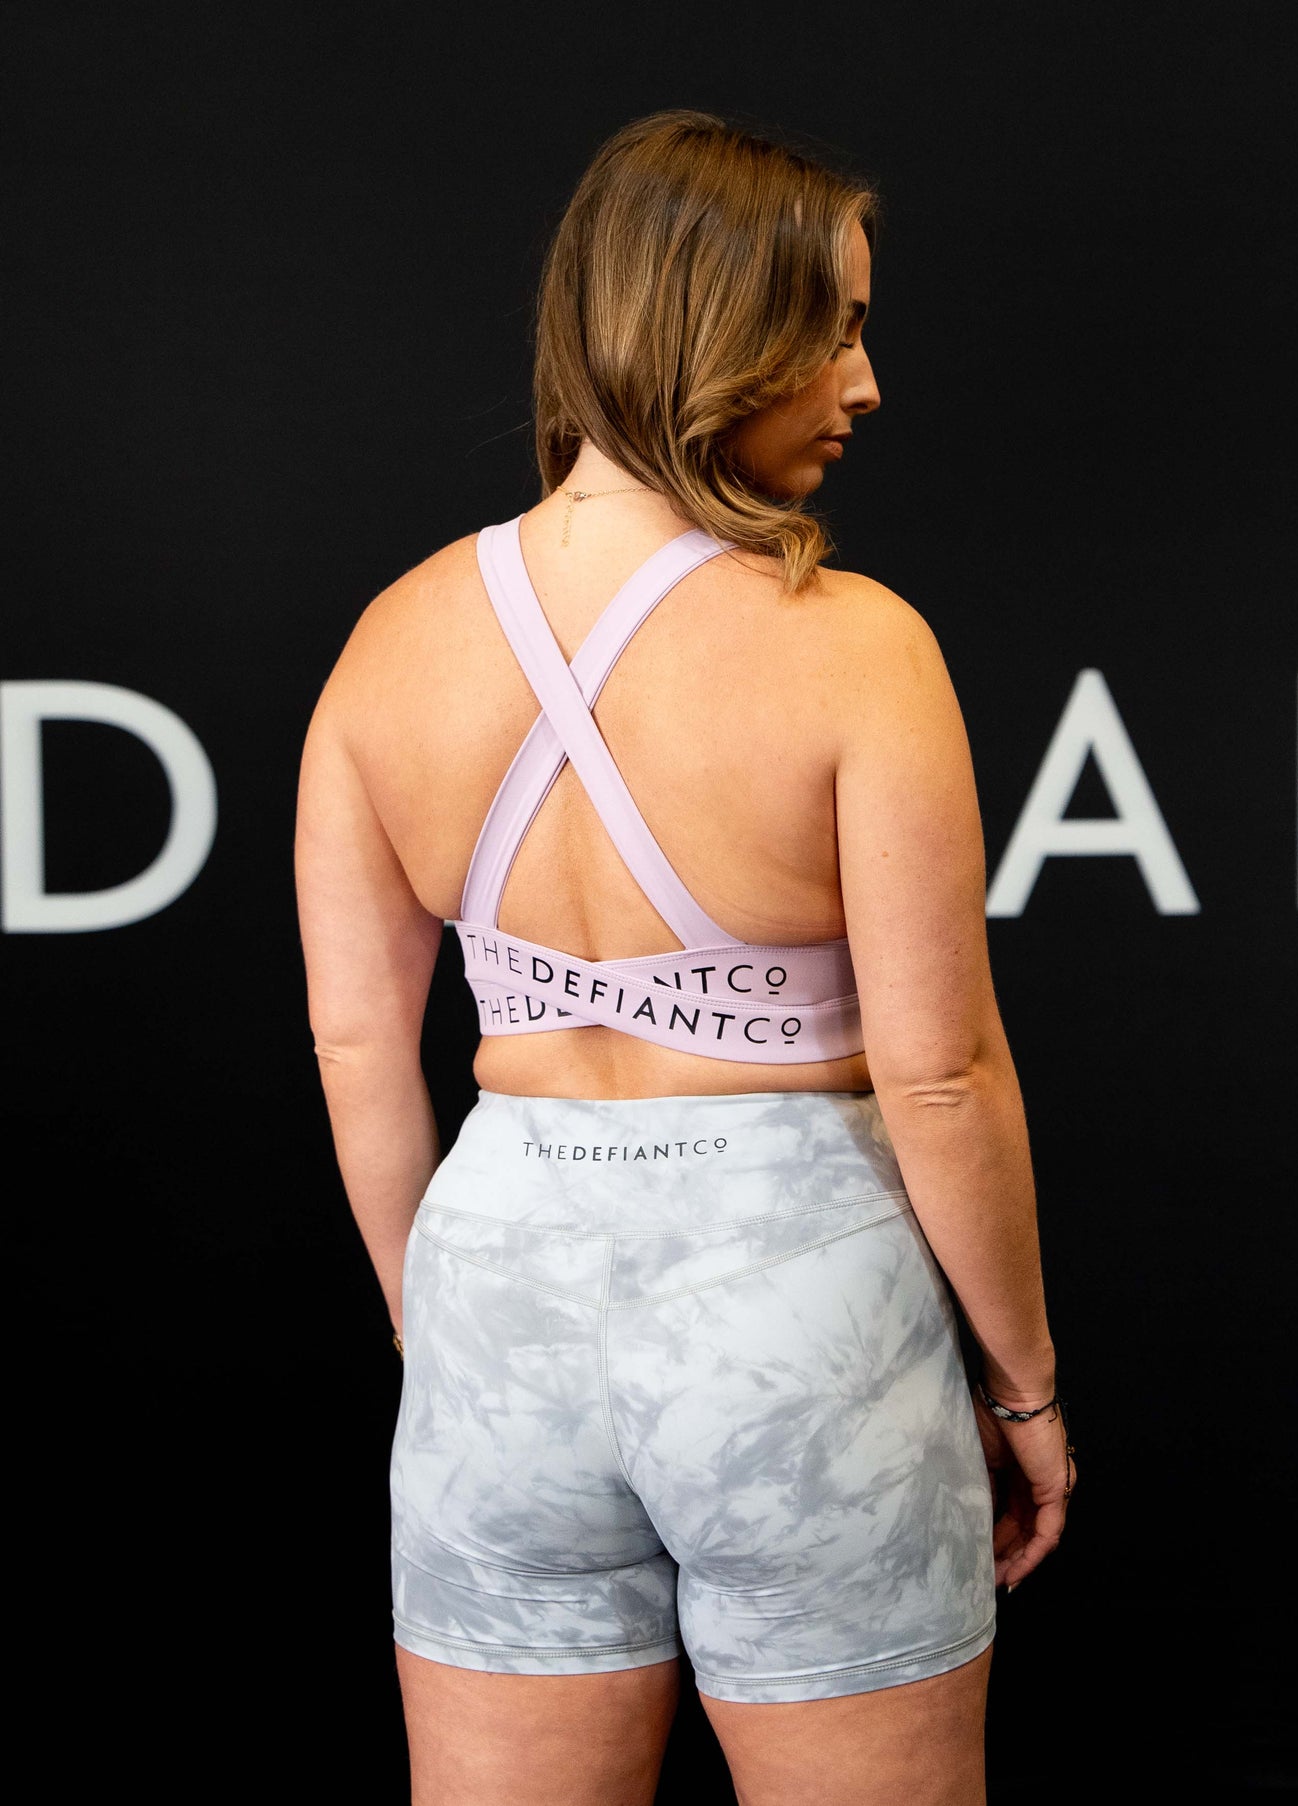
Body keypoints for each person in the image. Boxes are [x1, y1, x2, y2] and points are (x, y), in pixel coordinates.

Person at [296, 108, 1073, 1806]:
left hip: (501, 1291)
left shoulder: (388, 640)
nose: (866, 387)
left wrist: (450, 1349)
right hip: (801, 1302)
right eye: (839, 326)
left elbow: (361, 1055)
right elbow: (940, 1071)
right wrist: (1020, 1387)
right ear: (720, 328)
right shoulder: (856, 648)